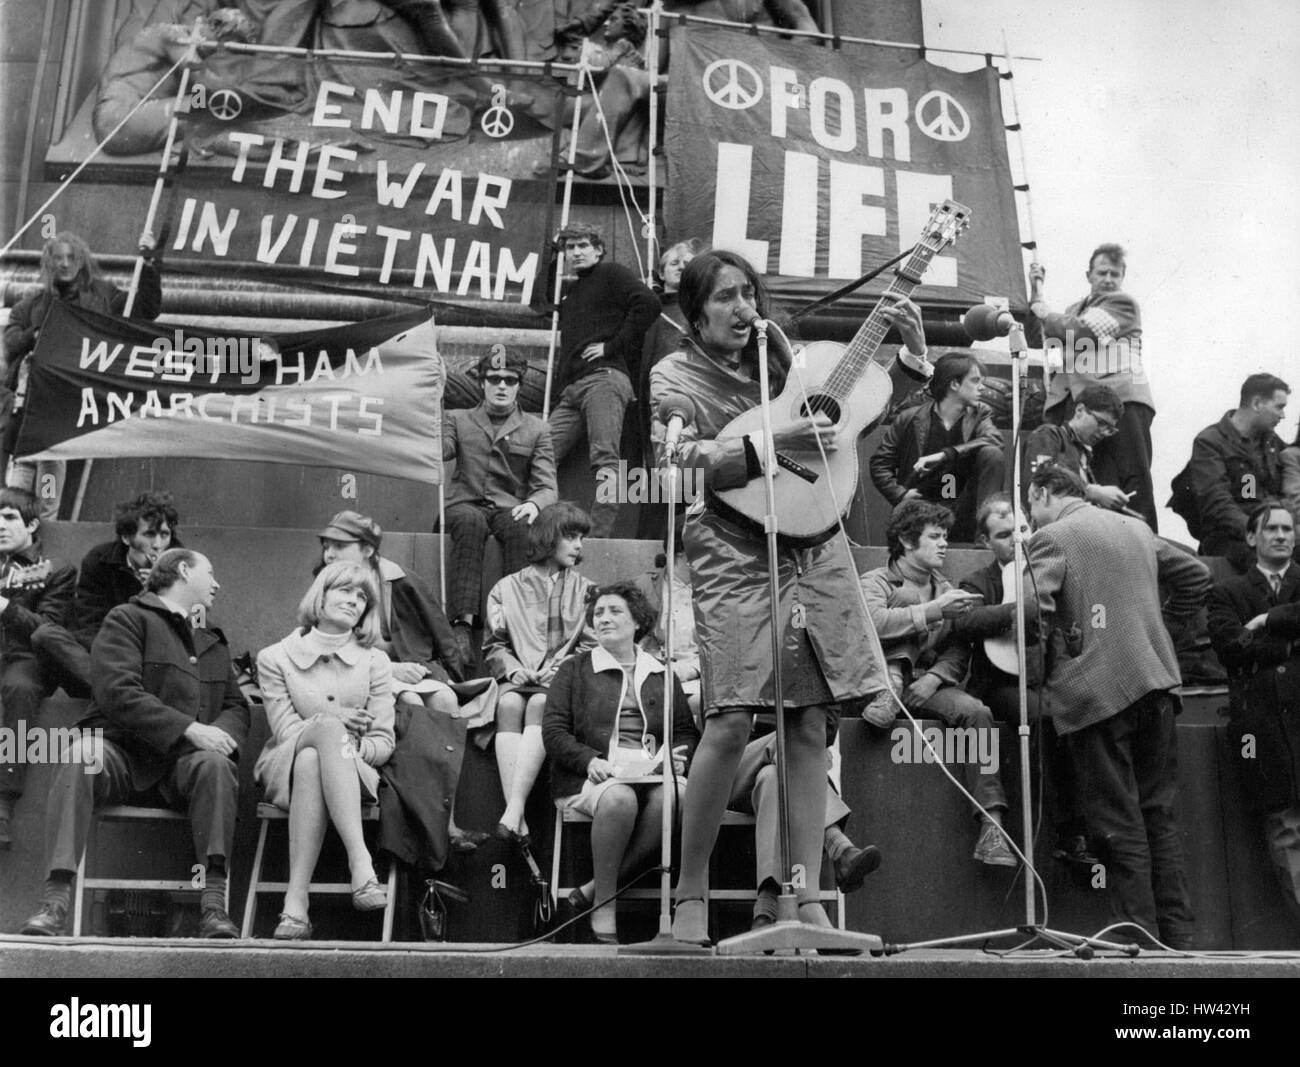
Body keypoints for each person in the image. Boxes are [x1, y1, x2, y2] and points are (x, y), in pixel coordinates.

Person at [648, 249, 928, 944]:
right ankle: (689, 898)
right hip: (731, 545)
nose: (744, 308)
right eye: (724, 298)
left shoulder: (785, 355)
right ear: (695, 310)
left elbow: (864, 411)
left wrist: (914, 357)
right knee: (733, 719)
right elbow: (673, 464)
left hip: (814, 541)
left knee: (809, 723)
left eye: (750, 293)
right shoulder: (674, 375)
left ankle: (802, 897)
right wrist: (775, 442)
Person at [1023, 465, 1211, 949]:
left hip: (1098, 695)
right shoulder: (1136, 527)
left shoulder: (1051, 537)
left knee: (1116, 824)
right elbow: (1197, 575)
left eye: (1030, 504)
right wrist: (1157, 630)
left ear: (1042, 493)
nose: (1030, 516)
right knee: (1158, 819)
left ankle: (1137, 941)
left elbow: (1031, 615)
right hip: (1157, 685)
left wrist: (1056, 667)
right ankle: (1178, 938)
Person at [20, 549, 249, 938]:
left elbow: (235, 706)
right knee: (82, 755)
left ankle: (213, 907)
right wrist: (190, 729)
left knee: (216, 766)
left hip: (183, 767)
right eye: (209, 573)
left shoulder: (212, 639)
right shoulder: (126, 619)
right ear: (182, 570)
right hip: (121, 754)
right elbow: (117, 692)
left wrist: (216, 737)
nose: (217, 584)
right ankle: (54, 902)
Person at [316, 511, 494, 864]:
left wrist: (450, 673)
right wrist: (392, 668)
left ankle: (448, 819)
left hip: (407, 668)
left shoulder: (399, 579)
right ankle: (421, 821)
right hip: (354, 673)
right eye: (326, 547)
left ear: (367, 550)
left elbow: (439, 631)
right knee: (412, 701)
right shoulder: (325, 583)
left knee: (443, 697)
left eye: (339, 546)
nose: (329, 555)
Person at [858, 499, 1015, 867]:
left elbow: (960, 647)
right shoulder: (876, 581)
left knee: (976, 712)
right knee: (909, 598)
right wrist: (932, 612)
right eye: (934, 536)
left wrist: (934, 678)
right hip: (874, 688)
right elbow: (869, 624)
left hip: (924, 688)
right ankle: (891, 686)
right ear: (907, 541)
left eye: (945, 536)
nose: (944, 543)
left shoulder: (947, 587)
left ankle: (992, 828)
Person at [542, 582, 697, 943]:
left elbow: (686, 733)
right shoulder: (573, 669)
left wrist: (672, 758)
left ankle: (597, 889)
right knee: (619, 798)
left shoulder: (661, 672)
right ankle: (604, 906)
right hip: (592, 776)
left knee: (677, 796)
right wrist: (589, 759)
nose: (604, 618)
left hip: (649, 772)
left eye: (615, 611)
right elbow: (553, 731)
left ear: (637, 623)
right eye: (598, 613)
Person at [949, 493, 1093, 870]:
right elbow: (963, 621)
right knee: (1047, 715)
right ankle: (1070, 833)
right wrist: (1019, 610)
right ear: (985, 542)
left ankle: (1088, 830)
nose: (1018, 540)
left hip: (1049, 678)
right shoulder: (979, 580)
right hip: (1000, 685)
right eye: (1004, 534)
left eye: (1024, 529)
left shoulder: (1052, 573)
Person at [255, 561, 396, 939]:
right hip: (282, 764)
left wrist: (343, 749)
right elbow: (285, 730)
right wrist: (332, 722)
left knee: (314, 758)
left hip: (354, 772)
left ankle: (295, 902)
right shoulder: (275, 658)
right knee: (316, 742)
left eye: (362, 596)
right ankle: (361, 863)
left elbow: (383, 742)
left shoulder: (375, 661)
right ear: (321, 594)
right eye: (344, 590)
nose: (354, 600)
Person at [3, 232, 162, 519]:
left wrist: (149, 264)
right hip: (28, 413)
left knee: (47, 489)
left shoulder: (103, 297)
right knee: (15, 495)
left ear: (82, 261)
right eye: (58, 258)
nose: (65, 264)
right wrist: (36, 334)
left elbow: (145, 309)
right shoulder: (33, 303)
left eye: (71, 257)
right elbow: (11, 341)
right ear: (48, 263)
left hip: (64, 414)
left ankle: (41, 541)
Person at [483, 501, 596, 857]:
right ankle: (516, 815)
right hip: (518, 677)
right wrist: (515, 669)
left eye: (581, 537)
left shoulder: (588, 591)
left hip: (562, 685)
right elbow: (495, 646)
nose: (579, 545)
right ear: (550, 538)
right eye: (571, 536)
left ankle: (513, 809)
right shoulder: (505, 589)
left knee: (542, 703)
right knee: (509, 702)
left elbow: (592, 647)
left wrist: (560, 672)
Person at [1206, 500, 1300, 926]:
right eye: (1271, 529)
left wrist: (1269, 619)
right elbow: (1231, 649)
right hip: (1262, 730)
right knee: (1285, 828)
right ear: (1251, 538)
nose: (1281, 535)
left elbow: (1248, 644)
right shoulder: (1228, 592)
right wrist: (1287, 645)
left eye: (1287, 528)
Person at [442, 346, 557, 664]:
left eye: (510, 379)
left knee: (523, 526)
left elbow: (547, 486)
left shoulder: (538, 429)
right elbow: (442, 450)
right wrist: (430, 396)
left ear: (520, 384)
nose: (502, 386)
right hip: (465, 504)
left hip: (510, 508)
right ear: (482, 382)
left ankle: (512, 625)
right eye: (494, 379)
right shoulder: (457, 418)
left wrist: (534, 505)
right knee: (469, 522)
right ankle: (462, 628)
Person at [1029, 243, 1157, 528]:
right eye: (1103, 273)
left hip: (1123, 401)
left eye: (1116, 274)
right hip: (1083, 403)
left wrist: (1043, 310)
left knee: (1130, 476)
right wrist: (1036, 294)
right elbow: (1046, 343)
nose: (1110, 280)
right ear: (1089, 275)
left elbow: (1080, 331)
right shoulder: (1072, 310)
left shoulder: (1122, 303)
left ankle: (1146, 545)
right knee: (1092, 479)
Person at [547, 223, 660, 537]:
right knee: (541, 453)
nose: (577, 252)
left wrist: (612, 346)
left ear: (598, 249)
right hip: (572, 389)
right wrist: (551, 253)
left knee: (605, 458)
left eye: (583, 245)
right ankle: (541, 525)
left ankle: (598, 536)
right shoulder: (571, 291)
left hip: (604, 379)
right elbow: (542, 299)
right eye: (570, 247)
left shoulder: (611, 273)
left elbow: (648, 303)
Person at [29, 490, 179, 701]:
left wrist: (156, 594)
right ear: (127, 538)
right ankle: (125, 699)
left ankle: (125, 698)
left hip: (155, 662)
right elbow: (90, 624)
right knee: (45, 635)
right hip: (109, 657)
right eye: (149, 534)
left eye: (164, 534)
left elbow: (195, 626)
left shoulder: (183, 565)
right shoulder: (99, 560)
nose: (158, 544)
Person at [0, 487, 76, 849]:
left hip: (22, 659)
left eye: (9, 517)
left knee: (21, 688)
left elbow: (47, 630)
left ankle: (2, 805)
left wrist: (6, 607)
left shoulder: (55, 572)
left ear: (32, 524)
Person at [869, 352, 1005, 543]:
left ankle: (986, 534)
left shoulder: (979, 414)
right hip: (922, 510)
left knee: (992, 454)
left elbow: (994, 440)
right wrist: (901, 494)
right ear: (954, 384)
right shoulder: (909, 418)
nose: (982, 388)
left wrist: (946, 455)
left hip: (964, 511)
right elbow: (880, 464)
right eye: (975, 381)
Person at [1169, 373, 1291, 572]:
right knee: (1276, 566)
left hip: (1269, 530)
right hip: (1229, 538)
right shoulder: (1210, 443)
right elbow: (1218, 505)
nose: (1283, 415)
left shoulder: (1271, 442)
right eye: (1279, 407)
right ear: (1257, 403)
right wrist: (1259, 532)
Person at [636, 238, 707, 540]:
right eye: (673, 263)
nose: (680, 267)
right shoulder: (646, 306)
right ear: (661, 273)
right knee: (654, 470)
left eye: (687, 263)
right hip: (651, 400)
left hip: (689, 400)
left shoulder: (700, 310)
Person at [1021, 383, 1132, 512]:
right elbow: (1039, 483)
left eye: (1110, 430)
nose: (1104, 433)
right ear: (1079, 410)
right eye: (1101, 423)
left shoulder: (1083, 453)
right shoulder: (1049, 435)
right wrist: (1093, 492)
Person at [633, 523, 701, 720]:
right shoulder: (643, 586)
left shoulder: (715, 592)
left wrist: (693, 669)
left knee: (711, 705)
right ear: (682, 555)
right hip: (653, 674)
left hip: (697, 675)